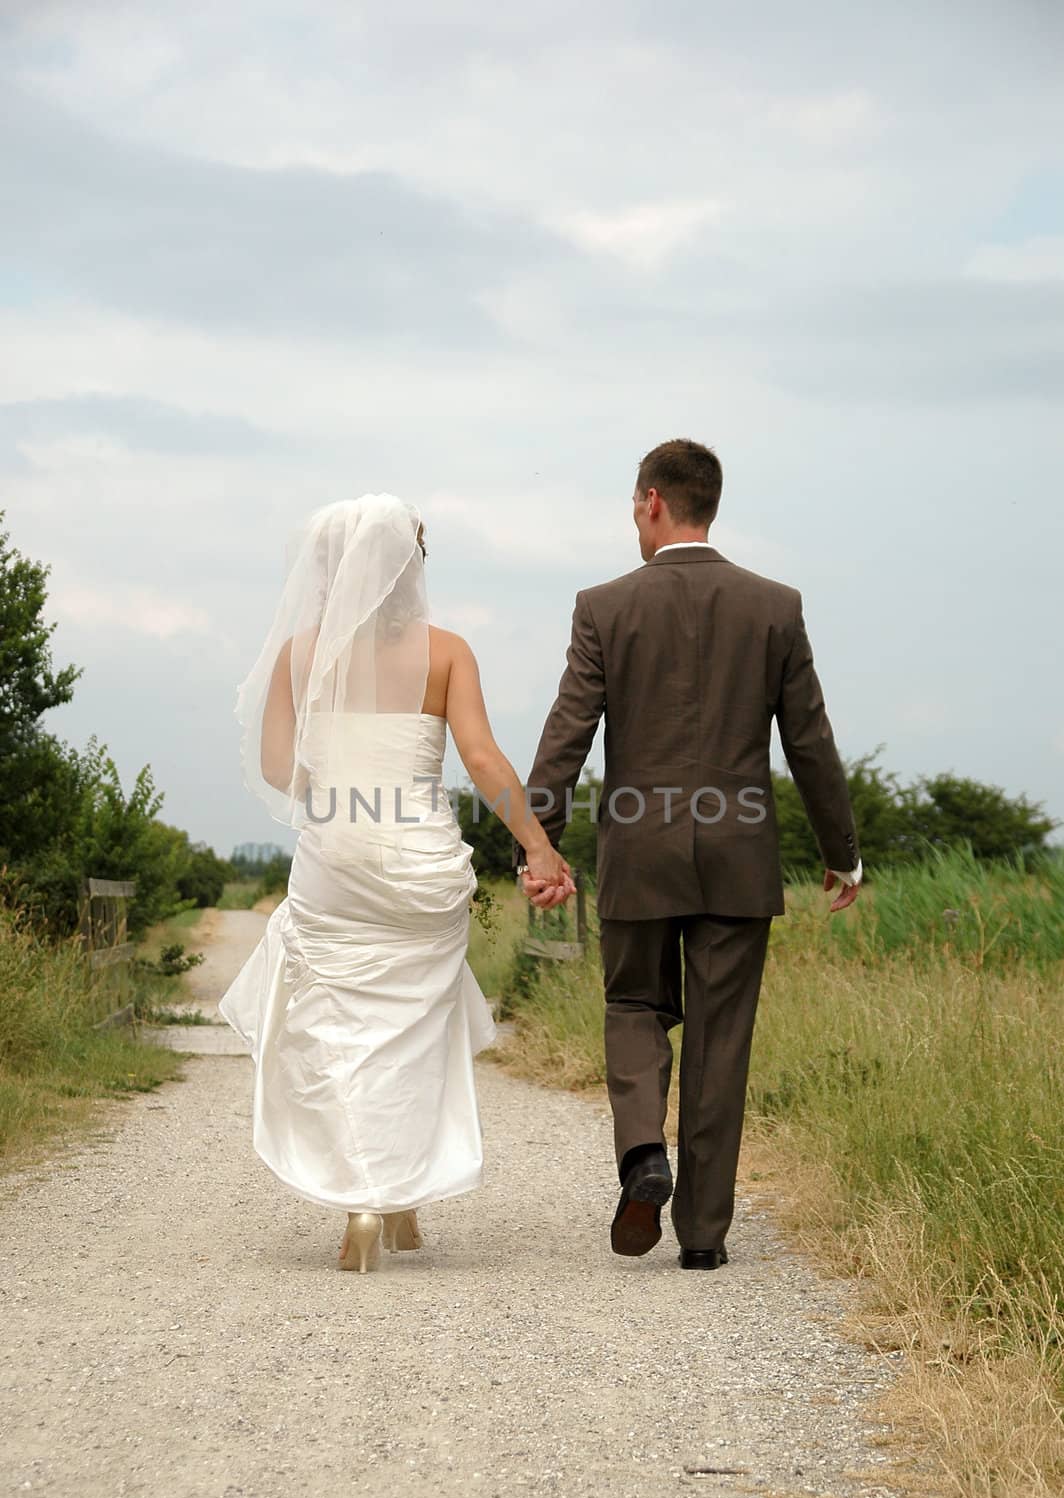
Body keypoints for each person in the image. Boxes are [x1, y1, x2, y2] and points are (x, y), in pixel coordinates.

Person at [514, 439, 861, 1269]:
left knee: (635, 1006)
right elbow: (809, 739)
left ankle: (643, 1157)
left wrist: (540, 844)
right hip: (740, 856)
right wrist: (841, 851)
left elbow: (568, 734)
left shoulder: (604, 606)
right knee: (721, 1038)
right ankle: (703, 1238)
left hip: (639, 850)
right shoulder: (774, 605)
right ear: (710, 502)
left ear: (651, 502)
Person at [218, 495, 572, 1273]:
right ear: (409, 568)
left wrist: (340, 788)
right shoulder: (447, 652)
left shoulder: (301, 655)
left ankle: (365, 1205)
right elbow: (481, 761)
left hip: (336, 861)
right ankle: (396, 1193)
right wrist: (539, 849)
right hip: (420, 864)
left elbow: (280, 768)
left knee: (342, 1030)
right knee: (412, 1030)